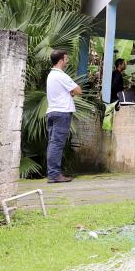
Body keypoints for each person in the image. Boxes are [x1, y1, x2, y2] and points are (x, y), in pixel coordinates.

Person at [45, 49, 82, 183]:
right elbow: (78, 90)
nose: (67, 61)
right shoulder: (61, 75)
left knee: (53, 144)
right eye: (66, 59)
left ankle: (53, 173)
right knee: (57, 144)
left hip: (52, 111)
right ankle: (54, 175)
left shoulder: (51, 75)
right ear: (61, 61)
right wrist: (71, 93)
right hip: (62, 113)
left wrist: (69, 93)